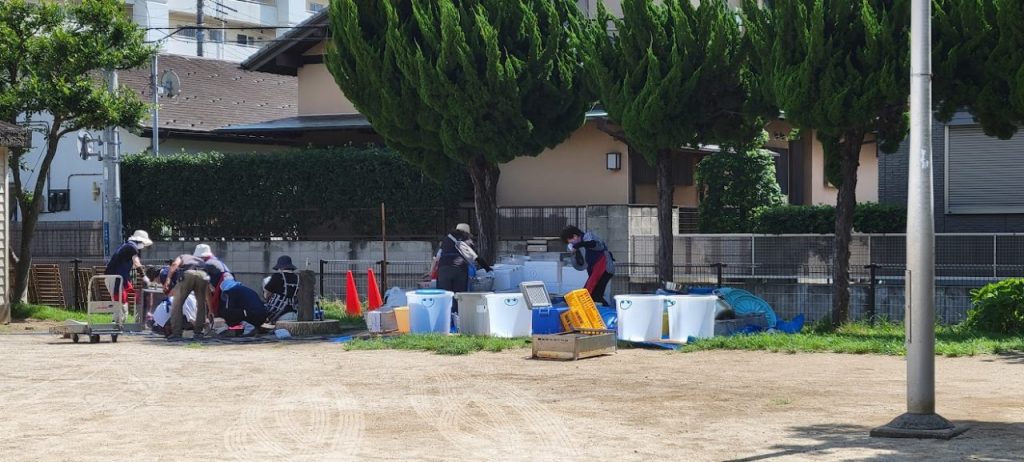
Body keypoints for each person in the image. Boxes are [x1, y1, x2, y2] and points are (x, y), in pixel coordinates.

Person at [436, 223, 492, 313]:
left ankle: (445, 321)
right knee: (459, 298)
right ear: (467, 232)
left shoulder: (446, 238)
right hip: (459, 271)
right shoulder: (466, 240)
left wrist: (431, 272)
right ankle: (458, 320)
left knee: (445, 297)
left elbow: (437, 257)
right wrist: (488, 268)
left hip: (443, 269)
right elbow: (476, 257)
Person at [560, 225, 615, 305]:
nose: (571, 244)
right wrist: (574, 252)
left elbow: (593, 244)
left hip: (605, 268)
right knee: (594, 295)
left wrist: (578, 245)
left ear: (575, 236)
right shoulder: (580, 245)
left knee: (595, 295)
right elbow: (579, 265)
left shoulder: (588, 236)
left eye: (571, 241)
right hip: (596, 270)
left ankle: (608, 314)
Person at [164, 249, 210, 340]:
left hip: (188, 273)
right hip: (203, 274)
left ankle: (177, 333)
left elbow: (174, 265)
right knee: (201, 305)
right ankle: (198, 332)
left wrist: (168, 279)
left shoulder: (182, 256)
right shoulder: (201, 261)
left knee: (177, 304)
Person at [103, 230, 153, 310]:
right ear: (139, 241)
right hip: (115, 278)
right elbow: (137, 263)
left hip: (116, 277)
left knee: (121, 303)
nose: (143, 246)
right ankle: (117, 322)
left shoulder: (126, 246)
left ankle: (118, 321)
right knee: (120, 304)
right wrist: (144, 276)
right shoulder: (131, 247)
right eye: (143, 243)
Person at [193, 244, 234, 317]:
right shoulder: (214, 260)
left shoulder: (207, 264)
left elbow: (204, 279)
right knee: (227, 303)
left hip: (224, 282)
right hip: (229, 280)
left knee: (223, 305)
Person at [263, 255, 299, 324]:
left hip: (279, 313)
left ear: (280, 267)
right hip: (294, 313)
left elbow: (267, 294)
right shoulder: (298, 278)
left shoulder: (277, 276)